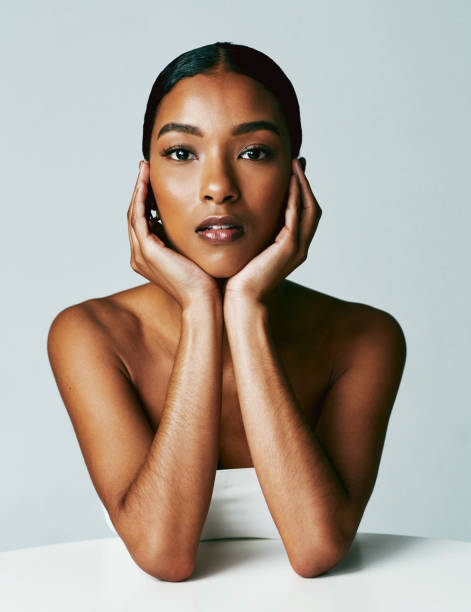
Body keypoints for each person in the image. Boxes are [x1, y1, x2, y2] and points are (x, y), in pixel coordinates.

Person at [47, 42, 407, 582]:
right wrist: (199, 309)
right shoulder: (91, 335)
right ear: (146, 182)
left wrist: (243, 310)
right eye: (182, 153)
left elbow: (316, 547)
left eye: (254, 152)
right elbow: (164, 554)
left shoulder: (364, 338)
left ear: (295, 176)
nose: (218, 188)